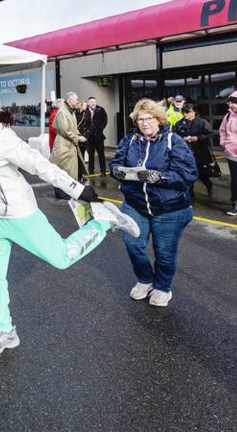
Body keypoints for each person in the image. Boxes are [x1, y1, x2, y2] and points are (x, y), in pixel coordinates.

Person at [0, 83, 139, 357]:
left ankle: (103, 221)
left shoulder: (5, 139)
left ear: (0, 113)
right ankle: (6, 332)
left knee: (61, 258)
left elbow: (40, 166)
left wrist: (78, 189)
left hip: (19, 215)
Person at [110, 98, 198, 307]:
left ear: (159, 120)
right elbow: (116, 163)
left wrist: (159, 177)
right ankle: (145, 280)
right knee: (133, 243)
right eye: (140, 119)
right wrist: (118, 172)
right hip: (135, 204)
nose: (145, 123)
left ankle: (162, 287)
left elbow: (188, 174)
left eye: (149, 118)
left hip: (169, 209)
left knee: (164, 252)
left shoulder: (173, 141)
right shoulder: (129, 141)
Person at [173, 103, 215, 197]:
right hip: (184, 153)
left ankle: (209, 186)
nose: (185, 114)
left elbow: (210, 135)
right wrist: (181, 139)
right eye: (184, 112)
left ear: (194, 112)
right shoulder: (179, 123)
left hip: (200, 152)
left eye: (188, 112)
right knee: (187, 175)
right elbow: (174, 135)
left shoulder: (202, 122)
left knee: (202, 174)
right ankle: (190, 196)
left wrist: (197, 138)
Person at [50, 92, 87, 199]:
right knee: (62, 170)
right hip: (63, 147)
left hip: (69, 146)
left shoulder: (70, 112)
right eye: (76, 100)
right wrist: (78, 138)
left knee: (69, 170)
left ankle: (65, 191)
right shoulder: (63, 112)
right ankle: (60, 192)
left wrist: (79, 134)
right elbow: (65, 130)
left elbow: (73, 128)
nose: (77, 101)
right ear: (70, 101)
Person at [82, 96, 109, 177]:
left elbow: (105, 120)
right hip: (89, 136)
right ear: (88, 103)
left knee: (101, 154)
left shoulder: (101, 110)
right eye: (92, 102)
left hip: (99, 136)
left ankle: (103, 170)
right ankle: (91, 170)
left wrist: (101, 128)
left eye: (94, 102)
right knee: (91, 154)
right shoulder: (85, 111)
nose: (93, 103)